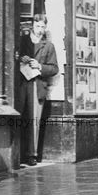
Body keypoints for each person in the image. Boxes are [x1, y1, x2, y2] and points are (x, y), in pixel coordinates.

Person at [17, 15, 58, 166]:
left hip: (37, 84)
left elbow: (54, 68)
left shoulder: (48, 46)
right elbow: (15, 57)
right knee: (20, 115)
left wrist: (40, 66)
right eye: (37, 26)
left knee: (34, 119)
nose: (40, 30)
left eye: (42, 27)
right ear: (32, 26)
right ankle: (19, 153)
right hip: (22, 82)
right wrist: (22, 59)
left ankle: (31, 155)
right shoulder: (23, 40)